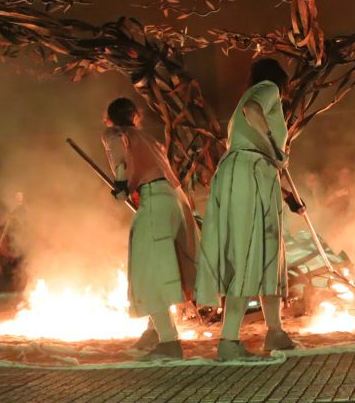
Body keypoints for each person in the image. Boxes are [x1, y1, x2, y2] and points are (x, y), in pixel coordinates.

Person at [196, 58, 305, 361]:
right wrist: (275, 149)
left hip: (245, 174)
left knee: (267, 251)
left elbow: (250, 132)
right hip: (251, 172)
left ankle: (276, 332)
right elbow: (253, 112)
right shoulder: (266, 88)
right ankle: (229, 341)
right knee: (248, 253)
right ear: (279, 80)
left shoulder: (244, 101)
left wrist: (286, 194)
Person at [102, 97, 199, 359]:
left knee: (147, 271)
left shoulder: (115, 133)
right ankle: (154, 331)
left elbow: (119, 159)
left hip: (155, 198)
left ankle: (169, 342)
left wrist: (121, 186)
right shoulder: (149, 140)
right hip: (177, 201)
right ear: (136, 117)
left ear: (109, 119)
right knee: (165, 267)